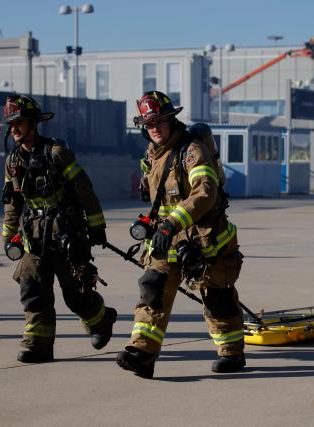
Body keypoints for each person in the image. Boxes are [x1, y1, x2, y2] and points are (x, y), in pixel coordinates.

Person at [116, 91, 246, 379]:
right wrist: (160, 225)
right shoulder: (152, 154)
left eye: (160, 121)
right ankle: (143, 354)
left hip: (205, 239)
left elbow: (205, 194)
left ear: (172, 120)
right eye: (149, 124)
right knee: (153, 290)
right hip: (168, 238)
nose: (155, 128)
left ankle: (232, 353)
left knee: (217, 298)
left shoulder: (191, 150)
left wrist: (171, 223)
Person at [0, 95, 116, 363]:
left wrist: (96, 228)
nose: (14, 129)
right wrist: (9, 237)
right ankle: (38, 345)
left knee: (76, 295)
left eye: (19, 123)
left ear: (34, 124)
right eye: (11, 124)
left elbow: (85, 191)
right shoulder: (12, 161)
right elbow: (12, 203)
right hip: (33, 238)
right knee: (33, 291)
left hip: (67, 235)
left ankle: (101, 320)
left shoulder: (57, 154)